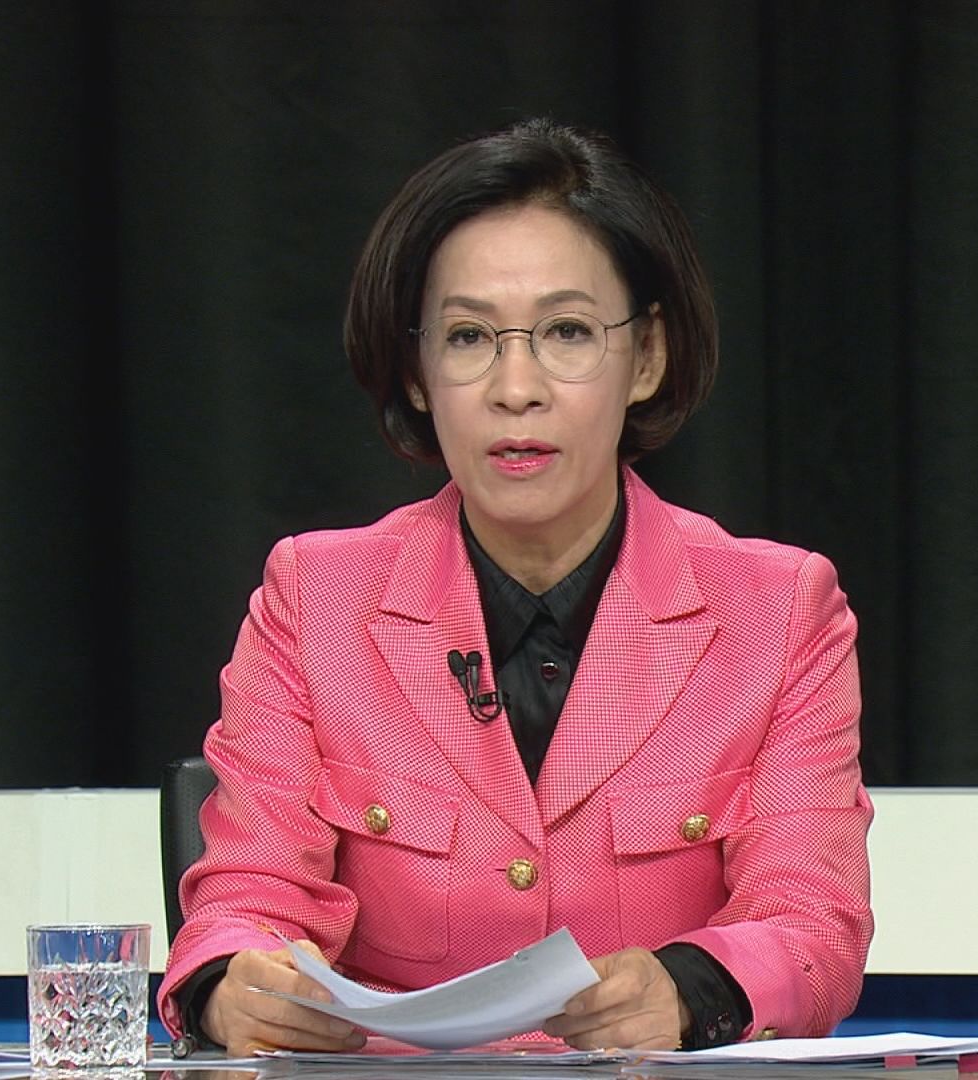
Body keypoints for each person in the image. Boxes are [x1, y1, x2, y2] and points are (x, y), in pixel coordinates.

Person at [158, 117, 872, 1057]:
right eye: (467, 337)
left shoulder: (777, 612)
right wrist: (231, 987)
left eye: (567, 331)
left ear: (647, 356)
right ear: (417, 373)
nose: (515, 387)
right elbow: (245, 897)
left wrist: (687, 990)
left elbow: (813, 922)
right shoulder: (315, 600)